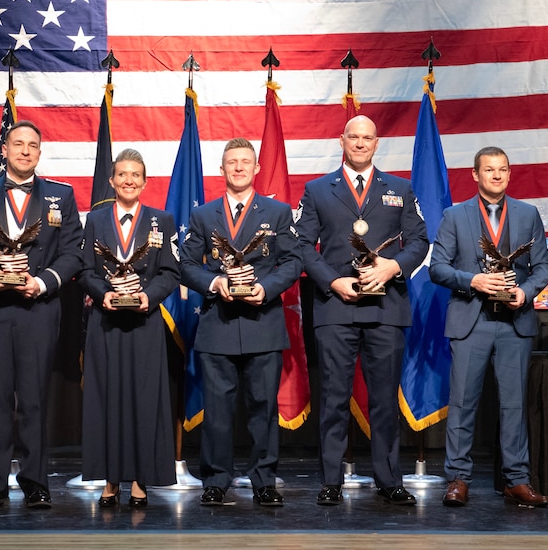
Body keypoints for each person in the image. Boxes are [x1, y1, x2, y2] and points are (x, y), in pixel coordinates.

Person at [295, 114, 428, 506]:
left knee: (385, 398)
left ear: (376, 143)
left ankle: (388, 480)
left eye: (367, 137)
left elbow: (419, 240)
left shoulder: (400, 189)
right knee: (334, 396)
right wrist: (333, 282)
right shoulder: (318, 190)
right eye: (353, 137)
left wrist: (393, 266)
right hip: (336, 305)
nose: (360, 143)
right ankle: (331, 480)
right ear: (341, 140)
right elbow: (302, 245)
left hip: (386, 306)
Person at [0, 120, 82, 510]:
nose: (25, 151)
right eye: (18, 144)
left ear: (39, 153)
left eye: (33, 146)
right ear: (5, 150)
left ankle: (35, 481)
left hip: (38, 309)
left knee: (34, 399)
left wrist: (43, 282)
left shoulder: (62, 195)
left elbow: (73, 252)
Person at [179, 137, 302, 507]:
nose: (238, 168)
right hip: (218, 322)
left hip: (262, 321)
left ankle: (264, 479)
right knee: (217, 409)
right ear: (222, 169)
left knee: (264, 407)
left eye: (244, 162)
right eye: (231, 162)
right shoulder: (203, 215)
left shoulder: (278, 212)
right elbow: (185, 265)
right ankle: (216, 480)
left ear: (256, 168)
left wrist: (264, 289)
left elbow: (294, 263)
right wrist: (215, 283)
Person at [429, 147, 548, 507]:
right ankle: (458, 479)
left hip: (514, 323)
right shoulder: (455, 215)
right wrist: (474, 281)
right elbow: (438, 268)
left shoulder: (528, 214)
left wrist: (524, 293)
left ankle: (516, 480)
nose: (496, 176)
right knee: (463, 404)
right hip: (472, 320)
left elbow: (543, 267)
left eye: (502, 170)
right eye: (489, 170)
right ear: (475, 175)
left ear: (509, 174)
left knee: (514, 405)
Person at [78, 149, 179, 508]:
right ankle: (110, 479)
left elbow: (170, 272)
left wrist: (146, 297)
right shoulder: (96, 219)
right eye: (122, 174)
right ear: (112, 180)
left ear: (145, 181)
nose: (129, 180)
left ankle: (139, 478)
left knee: (143, 399)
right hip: (105, 322)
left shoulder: (161, 220)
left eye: (136, 174)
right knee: (107, 398)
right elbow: (85, 270)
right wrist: (104, 294)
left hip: (144, 322)